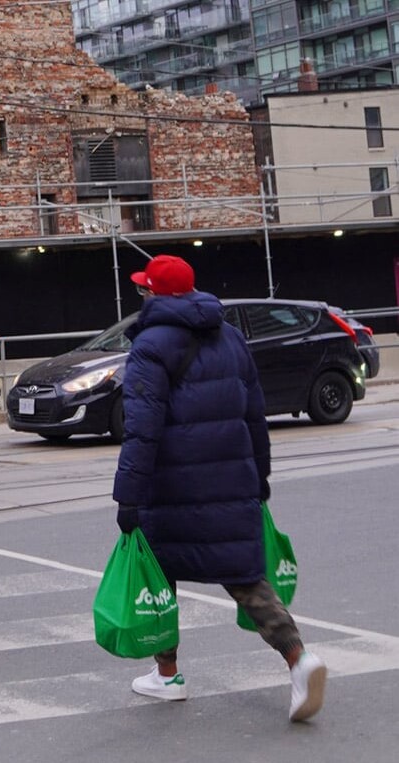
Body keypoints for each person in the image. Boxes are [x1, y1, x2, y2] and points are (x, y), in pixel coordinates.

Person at [113, 254, 325, 721]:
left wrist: (128, 495)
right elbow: (255, 412)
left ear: (157, 294)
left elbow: (142, 429)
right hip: (233, 479)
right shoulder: (230, 336)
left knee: (156, 575)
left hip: (171, 485)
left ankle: (167, 675)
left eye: (144, 288)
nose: (141, 294)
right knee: (245, 575)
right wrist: (261, 476)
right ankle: (299, 659)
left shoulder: (150, 346)